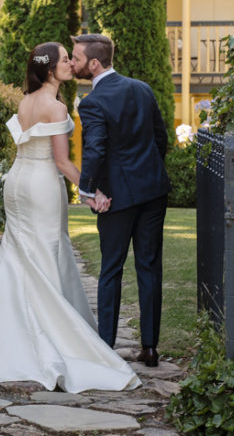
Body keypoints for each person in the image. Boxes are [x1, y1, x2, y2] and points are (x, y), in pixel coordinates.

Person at [0, 42, 140, 392]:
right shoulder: (54, 106)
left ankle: (0, 334)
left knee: (19, 256)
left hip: (16, 182)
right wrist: (90, 192)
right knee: (44, 252)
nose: (71, 63)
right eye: (65, 60)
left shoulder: (25, 101)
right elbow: (63, 163)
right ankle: (49, 333)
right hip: (40, 186)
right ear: (51, 69)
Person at [71, 33, 170, 368]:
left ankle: (106, 347)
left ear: (93, 63)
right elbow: (161, 138)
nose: (72, 63)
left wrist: (87, 190)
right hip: (153, 191)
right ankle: (151, 347)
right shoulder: (142, 88)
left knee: (111, 269)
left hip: (116, 199)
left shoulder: (92, 102)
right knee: (149, 267)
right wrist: (150, 173)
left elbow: (95, 150)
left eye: (76, 57)